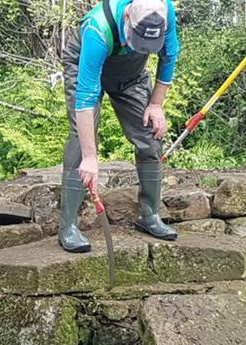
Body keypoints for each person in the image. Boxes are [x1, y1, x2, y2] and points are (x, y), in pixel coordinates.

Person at [58, 0, 180, 253]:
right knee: (81, 140)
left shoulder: (162, 11)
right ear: (127, 18)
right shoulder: (97, 29)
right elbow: (85, 98)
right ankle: (68, 226)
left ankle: (150, 215)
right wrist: (91, 157)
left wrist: (156, 104)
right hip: (84, 65)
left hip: (132, 76)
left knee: (150, 134)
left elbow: (169, 56)